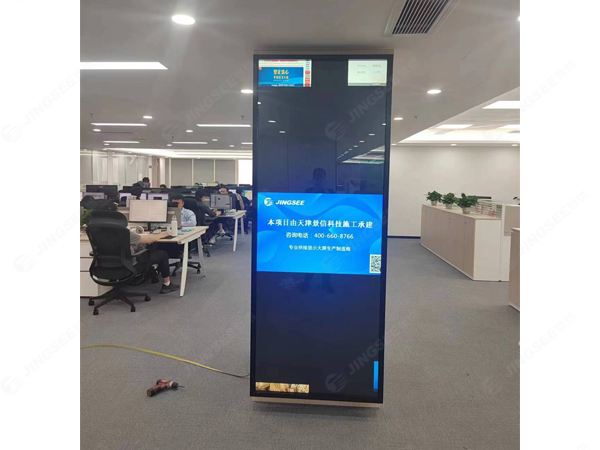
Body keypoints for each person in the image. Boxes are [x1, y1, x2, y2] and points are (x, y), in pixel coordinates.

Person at [97, 202, 179, 294]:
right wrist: (163, 234)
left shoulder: (95, 231)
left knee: (143, 248)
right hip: (128, 266)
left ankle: (150, 274)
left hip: (104, 267)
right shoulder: (123, 232)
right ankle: (167, 284)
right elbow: (149, 240)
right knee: (162, 254)